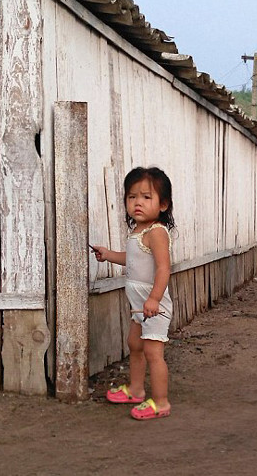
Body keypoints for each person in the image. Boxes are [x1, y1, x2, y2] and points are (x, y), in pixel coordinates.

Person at [92, 166, 175, 420]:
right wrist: (108, 255)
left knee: (153, 352)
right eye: (132, 196)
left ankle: (161, 402)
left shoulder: (157, 232)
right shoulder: (138, 232)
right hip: (139, 306)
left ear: (163, 205)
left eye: (146, 197)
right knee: (135, 345)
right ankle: (136, 390)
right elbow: (133, 258)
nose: (137, 202)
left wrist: (154, 299)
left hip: (153, 305)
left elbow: (163, 268)